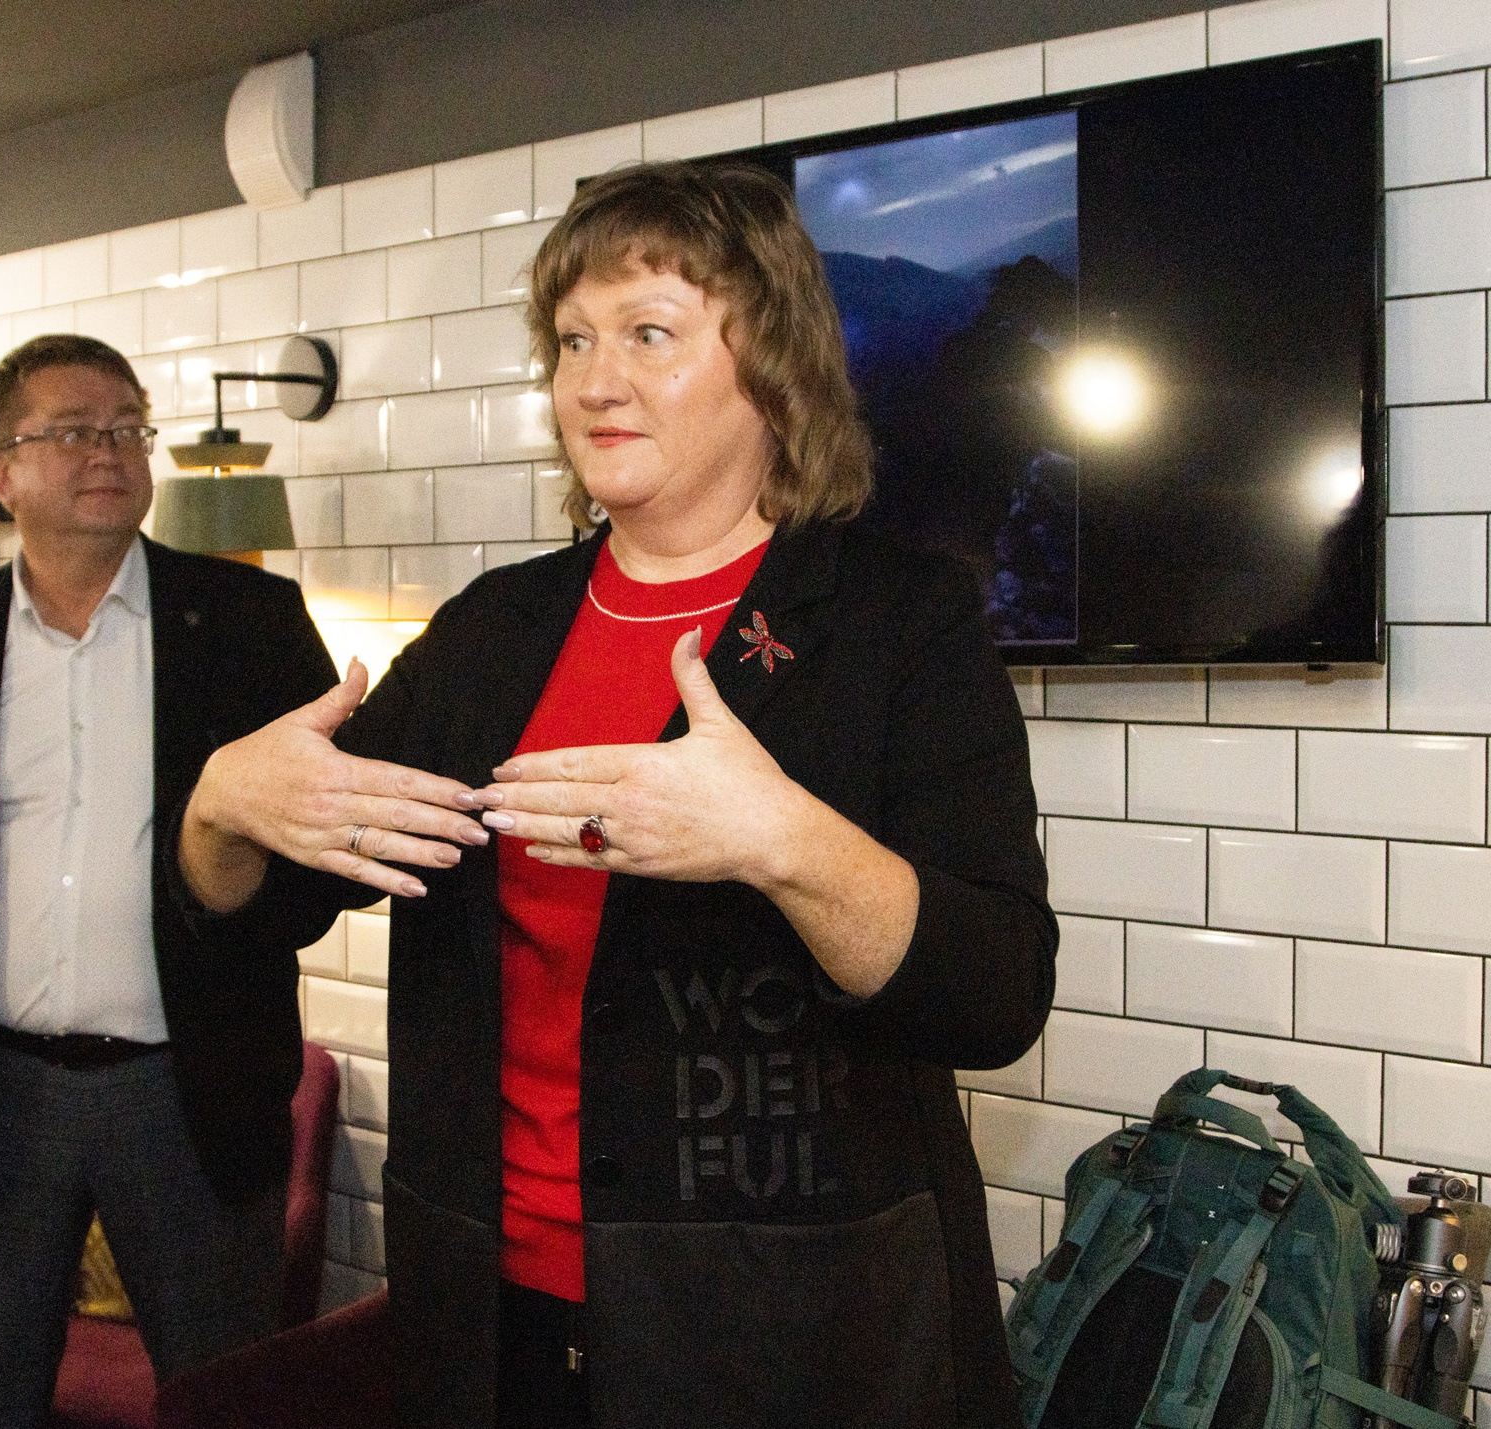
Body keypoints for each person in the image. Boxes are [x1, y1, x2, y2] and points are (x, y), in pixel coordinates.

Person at [174, 161, 1057, 1429]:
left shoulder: (898, 621)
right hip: (495, 1316)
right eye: (574, 340)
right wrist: (219, 809)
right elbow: (262, 906)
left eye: (650, 334)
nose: (595, 381)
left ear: (775, 367)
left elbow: (995, 990)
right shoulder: (493, 632)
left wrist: (781, 840)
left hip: (787, 1328)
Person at [0, 334, 343, 1424]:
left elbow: (324, 849)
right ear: (3, 472)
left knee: (223, 1397)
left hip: (191, 1090)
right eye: (74, 430)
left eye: (128, 427)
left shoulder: (250, 623)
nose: (108, 450)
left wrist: (227, 883)